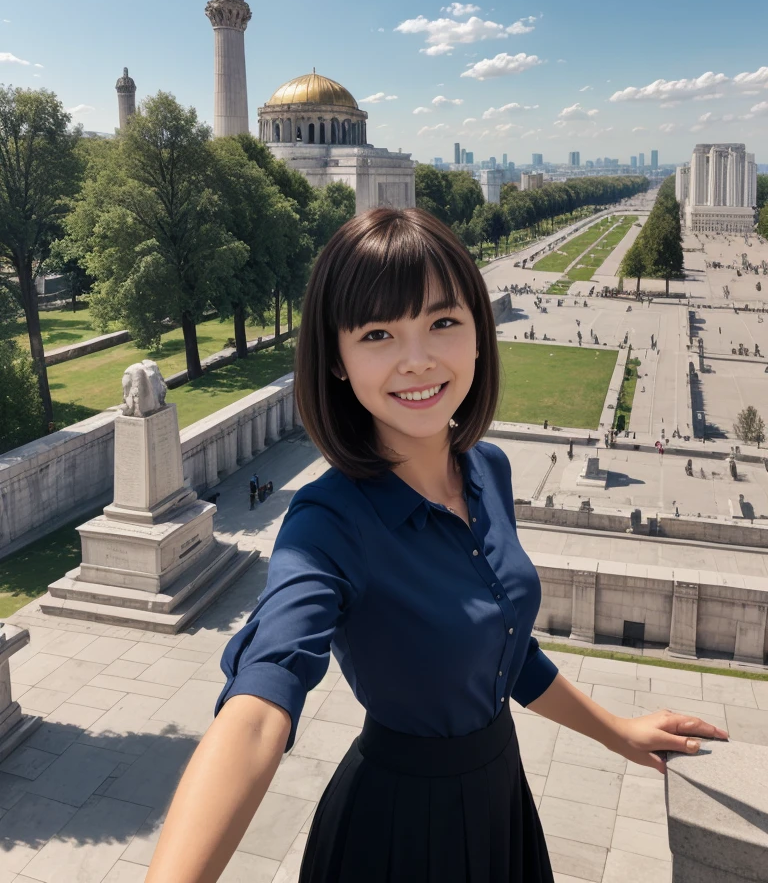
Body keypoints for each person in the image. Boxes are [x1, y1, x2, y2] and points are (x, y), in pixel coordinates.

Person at [145, 208, 726, 883]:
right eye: (378, 333)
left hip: (499, 801)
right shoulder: (328, 522)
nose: (416, 359)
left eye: (442, 322)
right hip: (395, 836)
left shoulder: (489, 470)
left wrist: (617, 732)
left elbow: (507, 653)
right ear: (336, 358)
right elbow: (259, 705)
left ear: (480, 331)